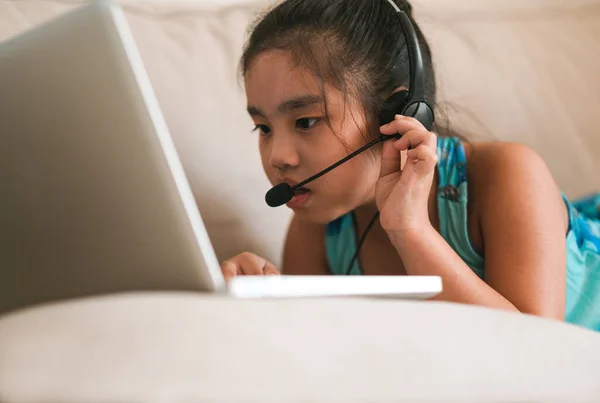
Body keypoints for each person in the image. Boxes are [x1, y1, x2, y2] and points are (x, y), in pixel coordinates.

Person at [219, 0, 600, 331]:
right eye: (263, 127)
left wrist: (410, 229)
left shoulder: (509, 174)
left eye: (306, 121)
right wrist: (257, 307)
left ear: (396, 114)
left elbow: (539, 352)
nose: (277, 157)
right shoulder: (319, 225)